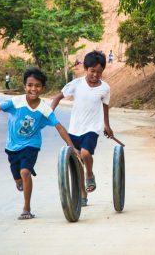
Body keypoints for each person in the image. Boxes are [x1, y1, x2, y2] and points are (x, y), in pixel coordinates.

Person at [0, 68, 79, 220]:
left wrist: (72, 147)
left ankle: (26, 208)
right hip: (12, 147)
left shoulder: (44, 109)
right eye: (30, 85)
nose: (33, 89)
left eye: (37, 86)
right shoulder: (15, 102)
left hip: (32, 145)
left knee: (25, 172)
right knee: (18, 178)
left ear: (42, 88)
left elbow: (59, 127)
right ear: (25, 86)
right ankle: (20, 182)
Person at [51, 50, 113, 207]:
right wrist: (49, 112)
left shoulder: (105, 88)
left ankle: (90, 174)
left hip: (92, 128)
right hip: (74, 129)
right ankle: (83, 195)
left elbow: (105, 107)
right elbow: (58, 97)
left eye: (99, 72)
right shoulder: (76, 84)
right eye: (92, 71)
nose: (95, 75)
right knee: (78, 164)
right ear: (86, 68)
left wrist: (107, 125)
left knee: (85, 153)